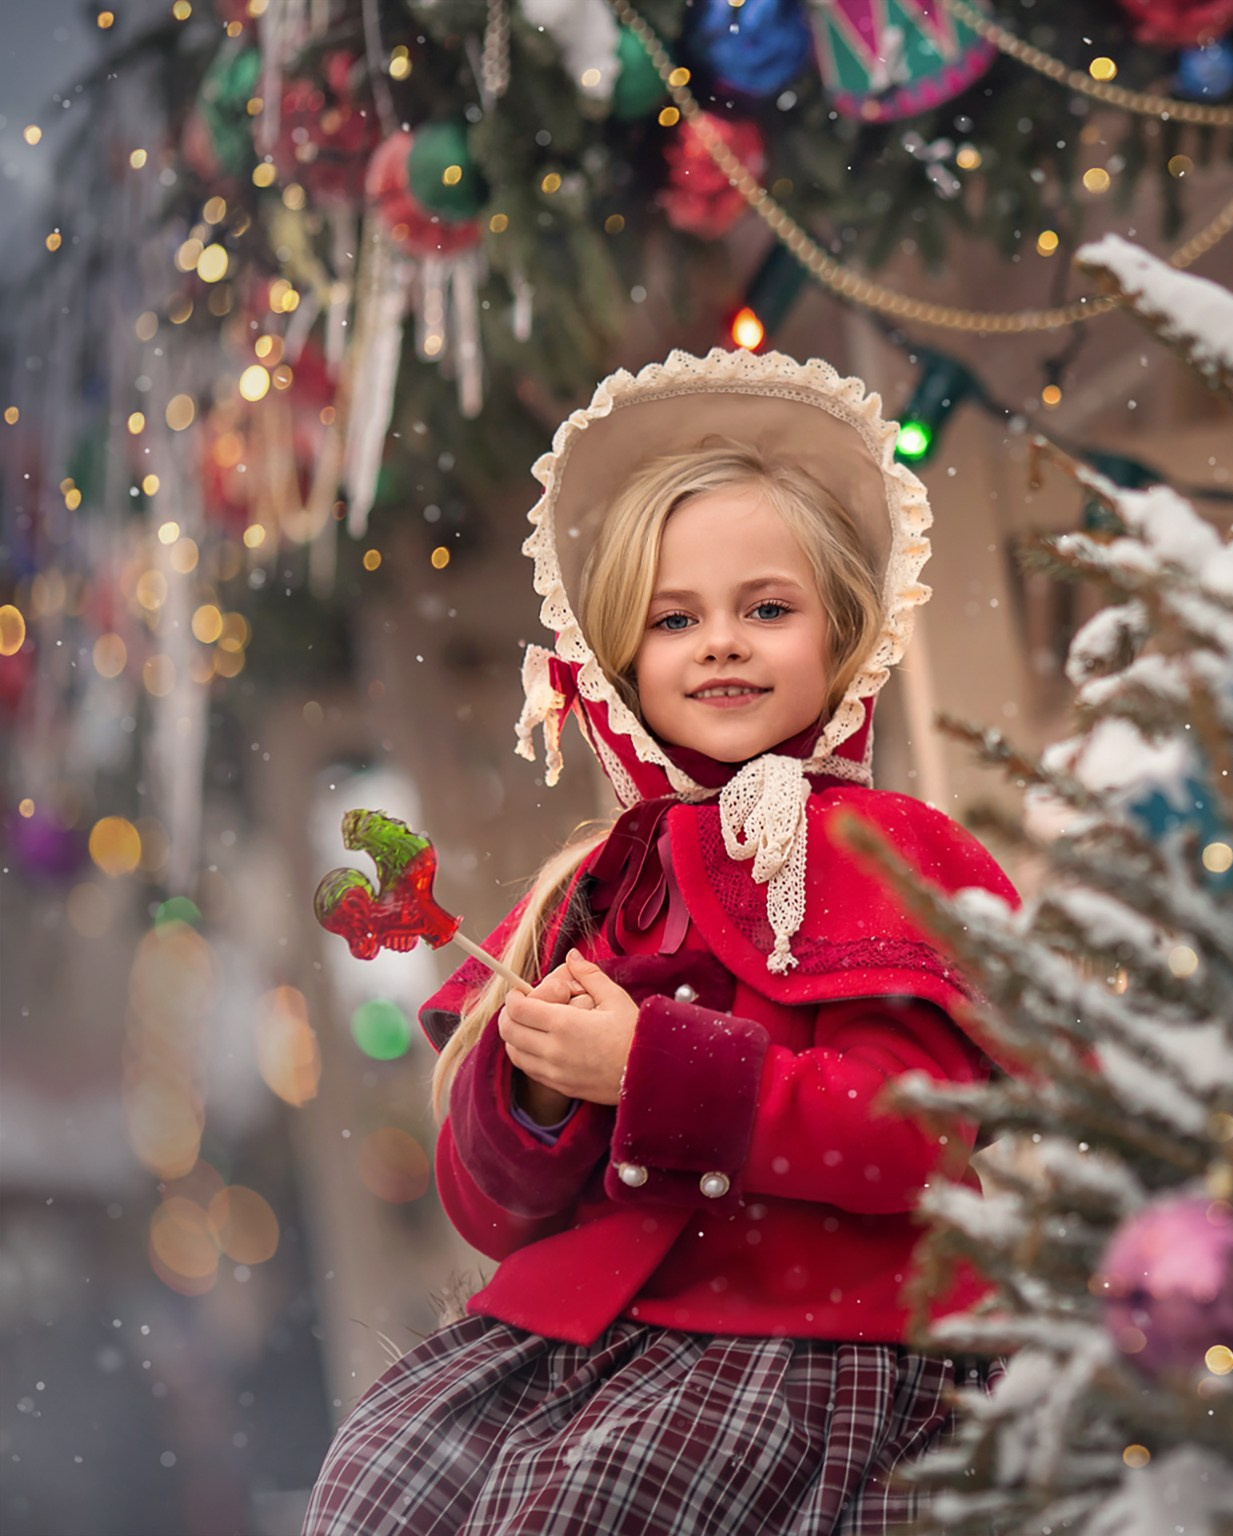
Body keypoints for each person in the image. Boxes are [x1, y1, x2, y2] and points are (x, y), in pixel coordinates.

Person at [302, 349, 1018, 1535]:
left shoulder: (873, 852)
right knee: (379, 1479)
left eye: (767, 610)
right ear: (617, 662)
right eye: (674, 619)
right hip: (611, 1336)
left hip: (814, 1336)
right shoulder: (593, 885)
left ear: (844, 636)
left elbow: (908, 1138)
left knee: (584, 1510)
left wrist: (655, 1069)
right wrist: (541, 1092)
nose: (721, 643)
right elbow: (492, 1213)